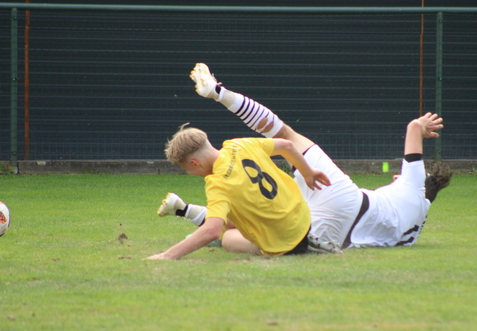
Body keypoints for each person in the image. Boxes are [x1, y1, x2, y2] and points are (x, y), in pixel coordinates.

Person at [161, 63, 452, 252]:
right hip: (334, 237)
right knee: (244, 233)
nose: (396, 177)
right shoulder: (414, 229)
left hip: (343, 198)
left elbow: (413, 128)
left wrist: (423, 127)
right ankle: (185, 210)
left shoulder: (415, 189)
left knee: (286, 134)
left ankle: (219, 93)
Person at [146, 123, 333, 260]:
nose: (190, 173)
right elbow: (287, 146)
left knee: (226, 237)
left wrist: (167, 256)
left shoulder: (217, 183)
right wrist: (308, 173)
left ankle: (306, 247)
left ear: (195, 163)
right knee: (234, 218)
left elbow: (211, 230)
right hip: (302, 217)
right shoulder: (238, 144)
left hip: (282, 242)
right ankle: (186, 210)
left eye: (188, 169)